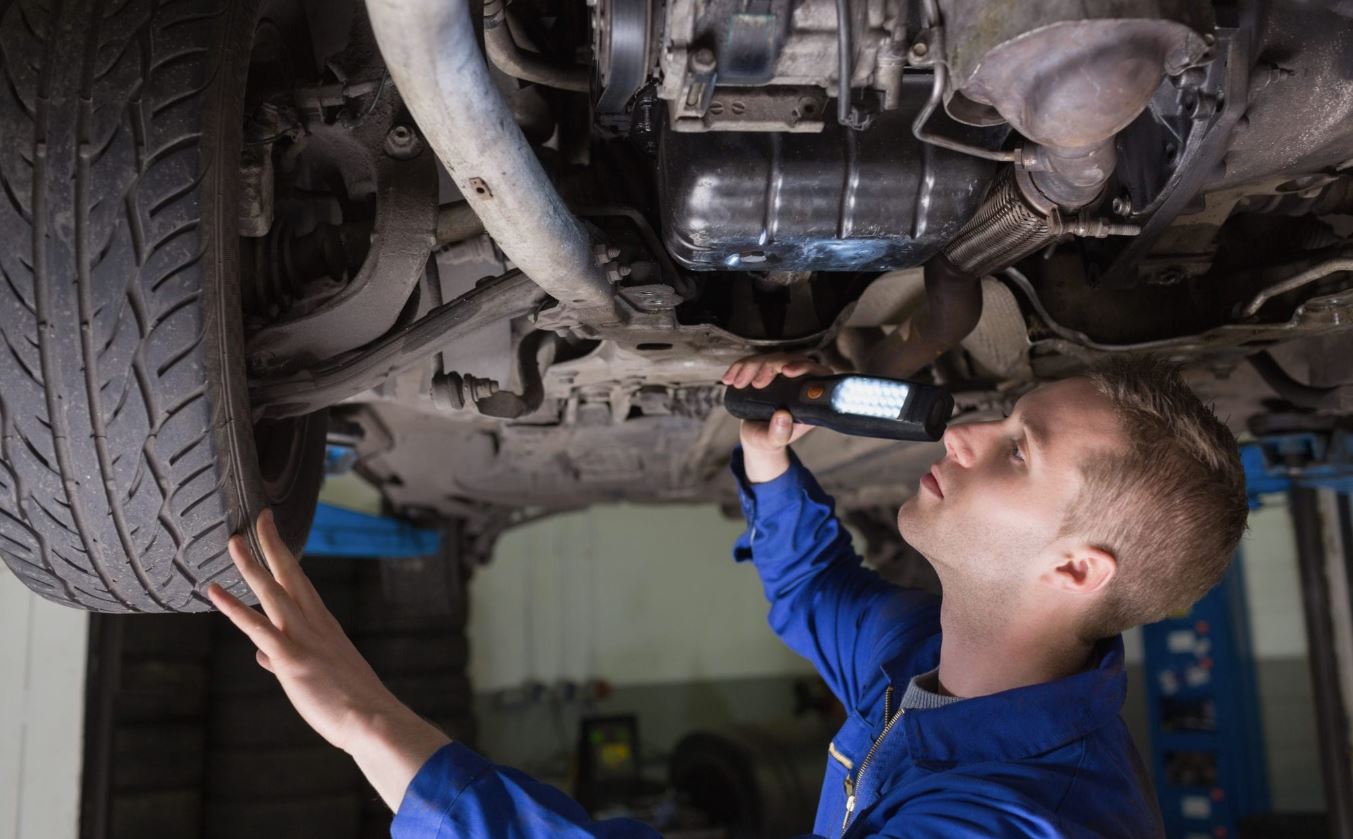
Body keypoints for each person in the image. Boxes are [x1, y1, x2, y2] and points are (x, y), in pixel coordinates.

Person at [210, 352, 1248, 838]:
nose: (963, 433)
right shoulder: (936, 664)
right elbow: (810, 587)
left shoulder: (1010, 822)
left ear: (1076, 570)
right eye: (1003, 416)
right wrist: (765, 454)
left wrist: (369, 721)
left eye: (1017, 452)